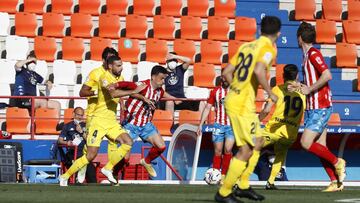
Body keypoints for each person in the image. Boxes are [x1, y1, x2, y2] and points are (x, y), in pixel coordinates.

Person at [215, 16, 281, 203]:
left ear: (260, 30)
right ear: (278, 33)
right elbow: (260, 71)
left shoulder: (246, 47)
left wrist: (236, 87)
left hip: (238, 100)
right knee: (246, 149)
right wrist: (270, 93)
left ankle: (243, 185)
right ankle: (224, 192)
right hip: (241, 105)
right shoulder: (268, 48)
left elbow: (226, 72)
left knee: (258, 141)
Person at [59, 55, 145, 186]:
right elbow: (114, 94)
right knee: (91, 155)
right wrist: (134, 90)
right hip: (98, 121)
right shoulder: (104, 78)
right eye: (118, 65)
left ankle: (108, 168)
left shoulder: (120, 78)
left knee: (128, 141)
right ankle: (65, 176)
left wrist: (144, 98)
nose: (121, 68)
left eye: (121, 65)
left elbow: (127, 92)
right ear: (110, 66)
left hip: (111, 121)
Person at [288, 22, 346, 192]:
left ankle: (337, 162)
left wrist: (309, 88)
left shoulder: (313, 53)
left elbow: (327, 75)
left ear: (299, 38)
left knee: (306, 143)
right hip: (314, 107)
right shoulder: (306, 57)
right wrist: (299, 86)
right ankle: (335, 182)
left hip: (320, 107)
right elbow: (311, 82)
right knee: (321, 147)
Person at [235, 64, 306, 191]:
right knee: (280, 155)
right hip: (290, 134)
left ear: (283, 76)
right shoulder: (304, 93)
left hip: (273, 131)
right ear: (297, 76)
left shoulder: (277, 89)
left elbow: (267, 110)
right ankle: (271, 182)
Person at [109, 65, 180, 178]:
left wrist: (173, 99)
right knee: (125, 158)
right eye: (161, 78)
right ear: (153, 77)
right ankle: (114, 173)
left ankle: (146, 161)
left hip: (146, 124)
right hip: (131, 124)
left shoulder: (159, 91)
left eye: (164, 79)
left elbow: (163, 94)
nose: (163, 82)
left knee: (161, 146)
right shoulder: (143, 85)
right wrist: (115, 85)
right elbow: (128, 86)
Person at [78, 47, 127, 181]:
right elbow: (82, 92)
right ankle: (82, 167)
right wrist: (98, 92)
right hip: (95, 115)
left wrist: (122, 106)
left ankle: (110, 171)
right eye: (109, 59)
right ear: (104, 60)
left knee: (114, 143)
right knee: (90, 147)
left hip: (110, 116)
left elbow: (119, 92)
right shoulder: (95, 73)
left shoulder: (118, 75)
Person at [196, 74, 234, 181]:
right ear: (221, 78)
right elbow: (208, 107)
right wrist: (200, 124)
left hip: (231, 126)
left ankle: (224, 176)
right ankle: (215, 174)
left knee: (228, 149)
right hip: (218, 125)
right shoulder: (215, 91)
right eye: (224, 77)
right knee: (217, 151)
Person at [57, 107, 96, 183]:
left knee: (91, 173)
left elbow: (89, 140)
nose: (80, 117)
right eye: (78, 115)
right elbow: (59, 140)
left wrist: (81, 132)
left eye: (81, 115)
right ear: (73, 114)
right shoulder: (67, 126)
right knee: (76, 172)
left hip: (84, 154)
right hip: (72, 154)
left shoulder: (86, 126)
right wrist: (67, 143)